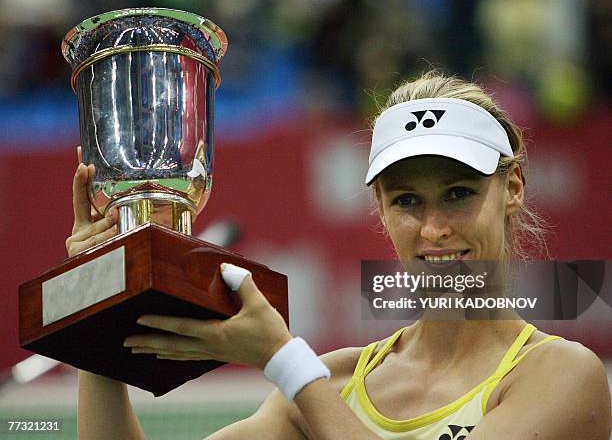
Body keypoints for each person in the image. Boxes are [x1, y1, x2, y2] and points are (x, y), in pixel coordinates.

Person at [68, 71, 611, 440]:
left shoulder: (563, 376)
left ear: (512, 187)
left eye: (459, 193)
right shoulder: (337, 381)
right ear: (379, 206)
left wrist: (284, 360)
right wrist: (102, 294)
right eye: (406, 202)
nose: (435, 228)